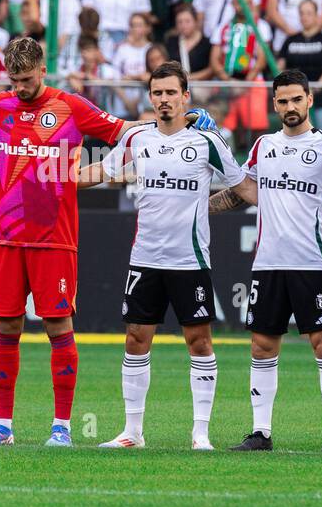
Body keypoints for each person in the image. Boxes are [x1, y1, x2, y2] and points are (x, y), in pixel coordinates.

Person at [0, 37, 213, 448]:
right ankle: (2, 427)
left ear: (43, 70)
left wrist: (183, 120)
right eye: (14, 80)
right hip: (6, 239)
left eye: (27, 79)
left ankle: (61, 426)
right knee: (6, 327)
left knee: (58, 327)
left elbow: (124, 131)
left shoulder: (72, 107)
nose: (20, 88)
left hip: (55, 239)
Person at [80, 61, 243, 450]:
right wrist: (48, 178)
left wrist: (211, 207)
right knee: (136, 338)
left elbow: (242, 188)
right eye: (158, 93)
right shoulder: (137, 139)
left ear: (186, 96)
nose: (164, 99)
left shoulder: (208, 142)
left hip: (190, 260)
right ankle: (132, 432)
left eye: (171, 92)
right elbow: (102, 170)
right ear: (150, 98)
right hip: (146, 257)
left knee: (199, 341)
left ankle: (200, 433)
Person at [207, 69, 322, 451]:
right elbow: (243, 191)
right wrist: (200, 207)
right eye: (283, 101)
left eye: (296, 99)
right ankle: (261, 432)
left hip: (313, 261)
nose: (290, 107)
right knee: (261, 345)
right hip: (268, 262)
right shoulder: (263, 146)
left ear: (309, 100)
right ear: (274, 104)